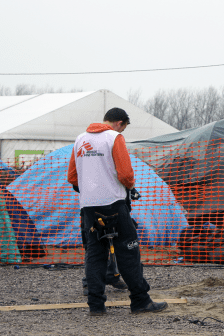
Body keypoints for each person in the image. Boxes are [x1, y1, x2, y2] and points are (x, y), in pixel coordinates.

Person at [67, 107, 167, 316]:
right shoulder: (114, 138)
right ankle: (140, 301)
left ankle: (96, 306)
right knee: (128, 251)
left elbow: (73, 177)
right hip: (114, 204)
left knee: (95, 255)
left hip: (89, 207)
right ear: (120, 123)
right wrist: (130, 187)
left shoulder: (79, 139)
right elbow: (125, 173)